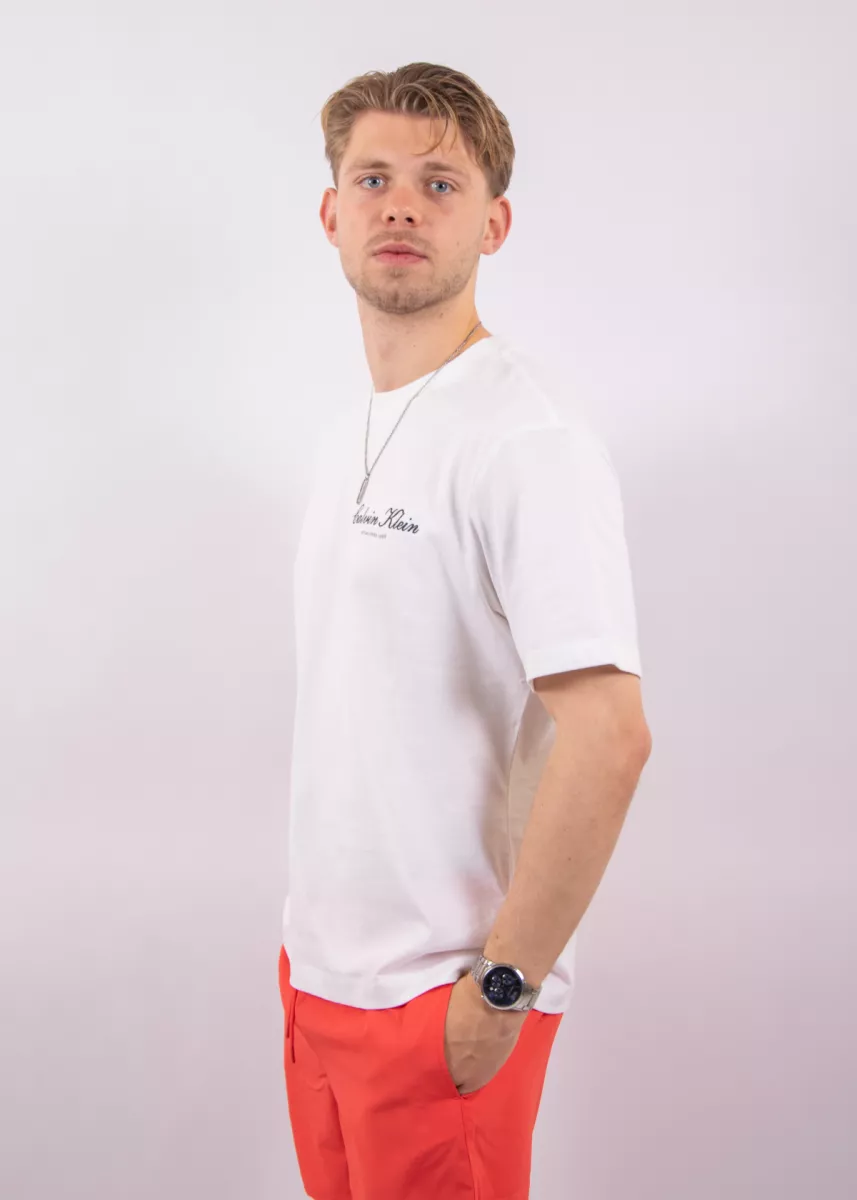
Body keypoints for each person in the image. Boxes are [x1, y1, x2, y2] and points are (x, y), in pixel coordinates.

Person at [277, 61, 653, 1200]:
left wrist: (502, 990)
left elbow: (609, 736)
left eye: (439, 184)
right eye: (373, 178)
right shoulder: (346, 433)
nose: (400, 205)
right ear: (330, 212)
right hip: (319, 981)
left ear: (492, 224)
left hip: (442, 1003)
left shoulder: (526, 438)